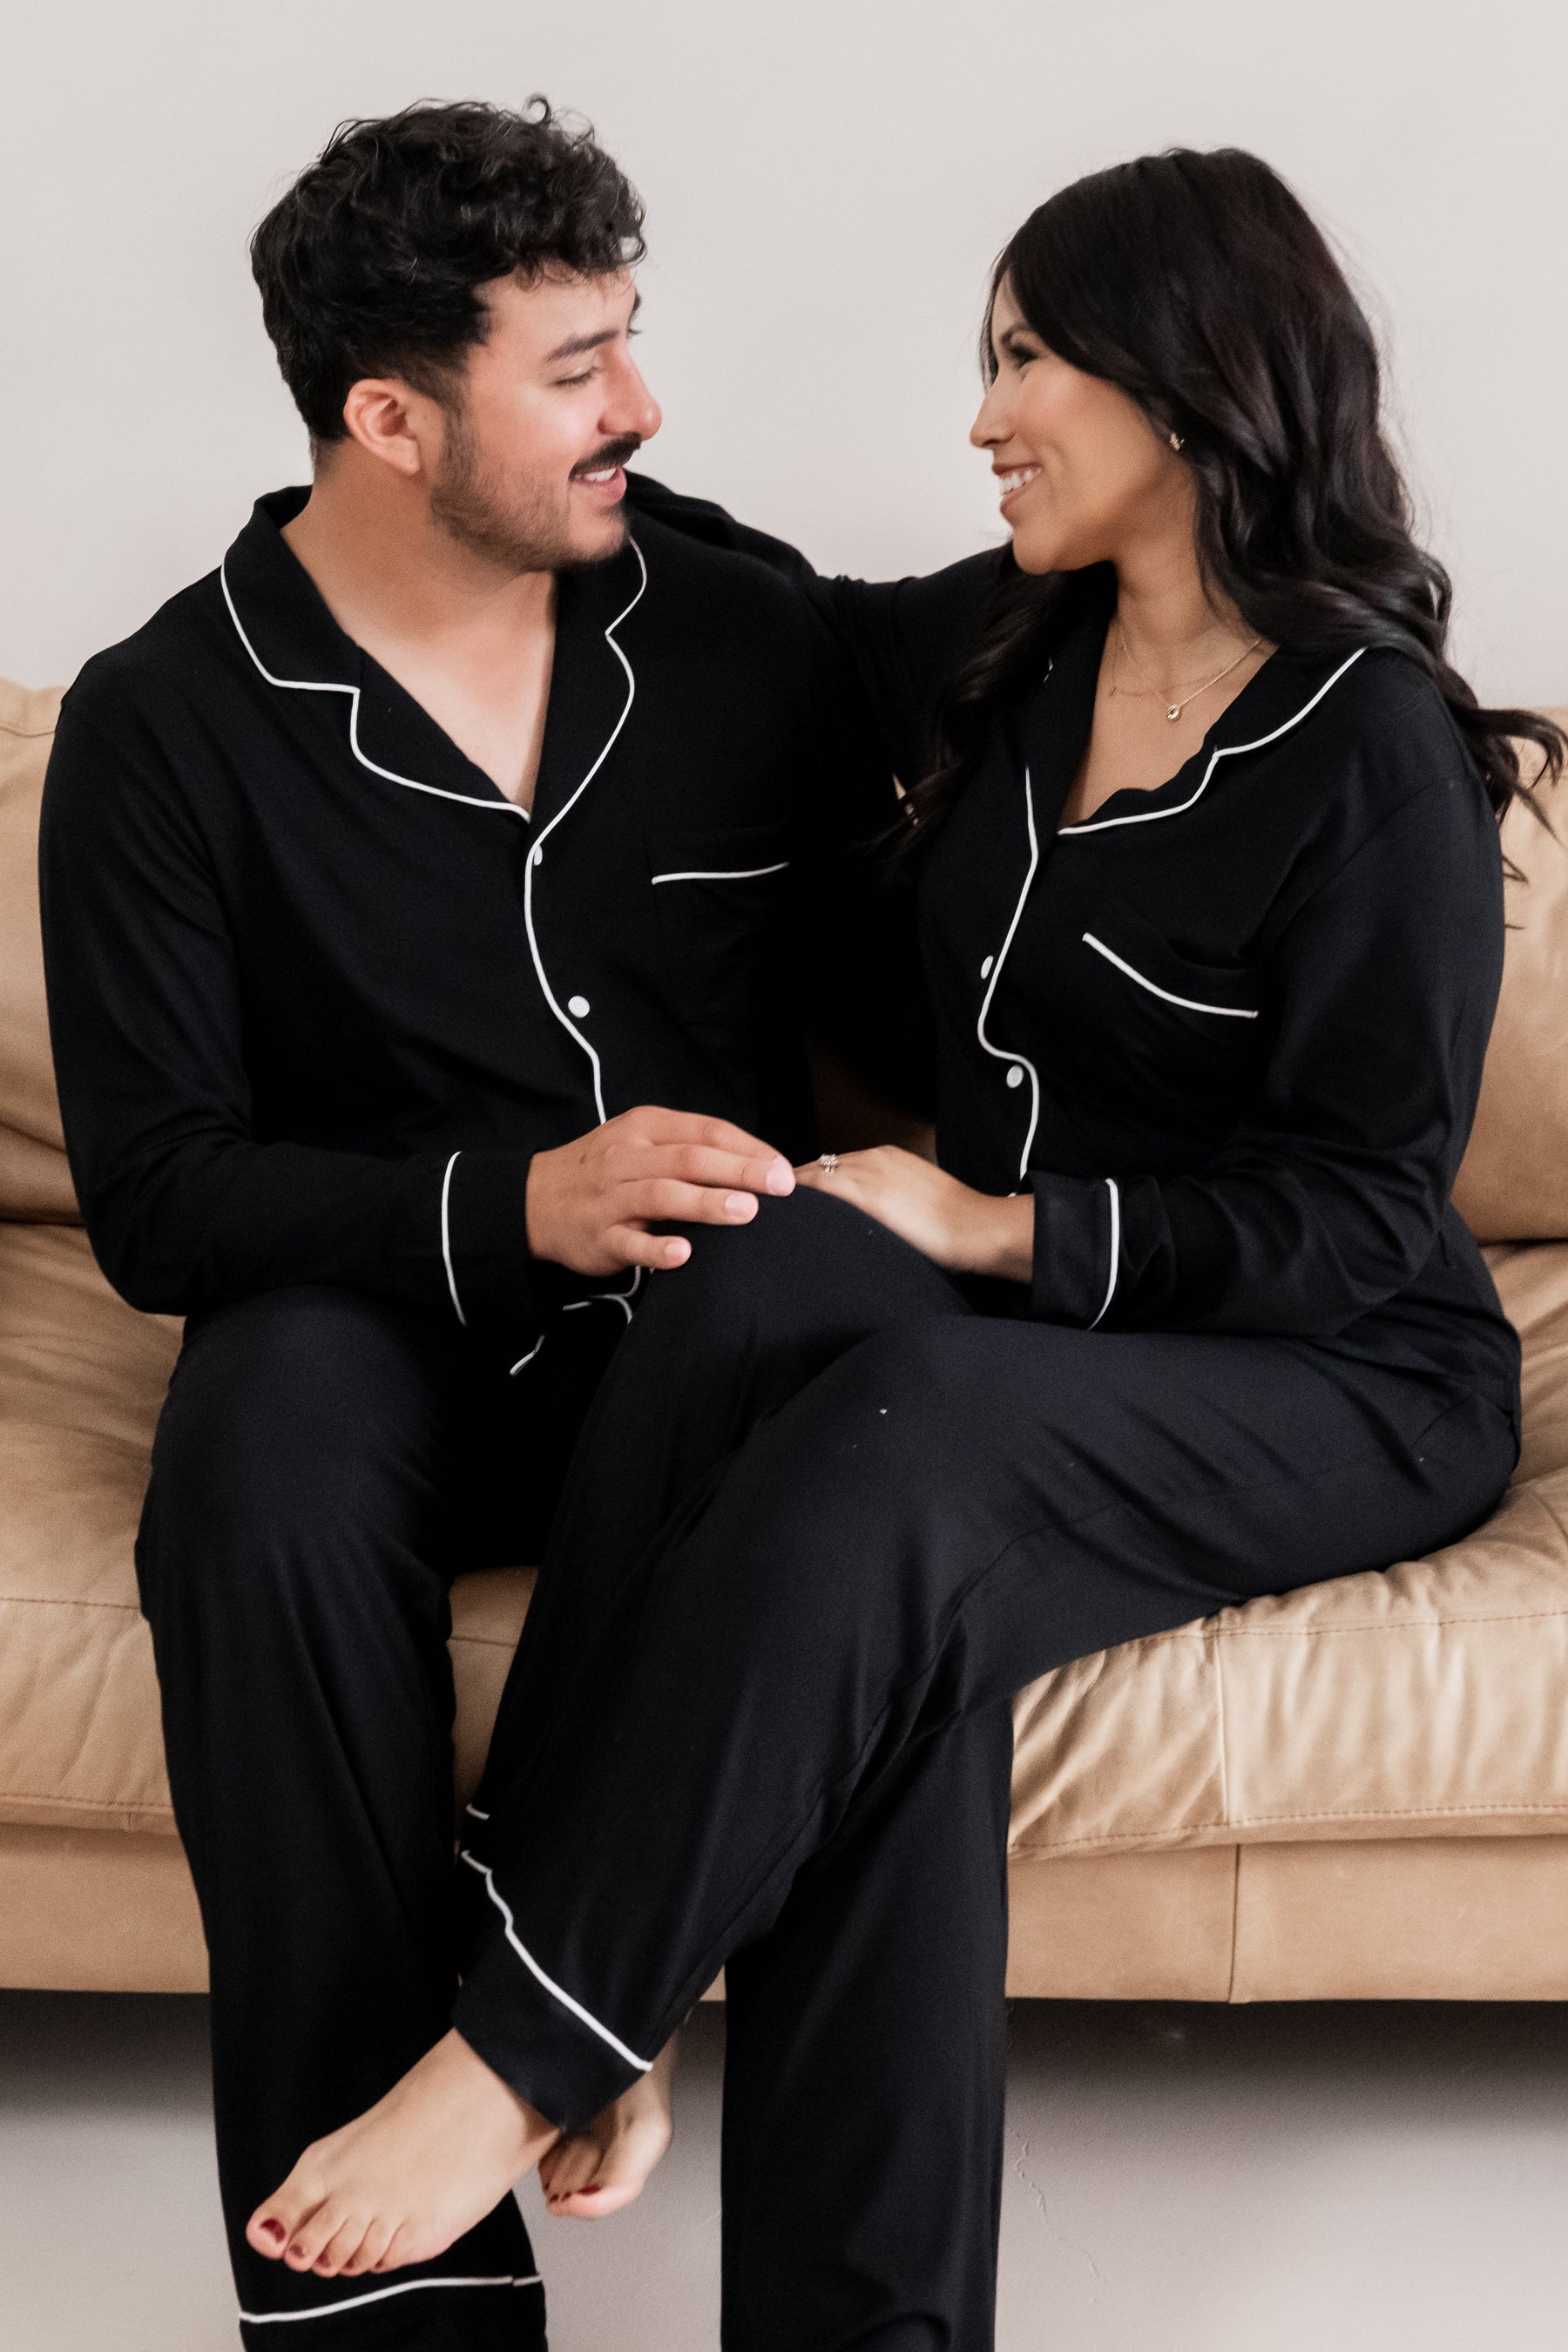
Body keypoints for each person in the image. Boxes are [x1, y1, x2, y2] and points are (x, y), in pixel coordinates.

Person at [237, 146, 1565, 2350]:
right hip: (1023, 1322)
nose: (983, 416)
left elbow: (1348, 1217)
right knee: (763, 1273)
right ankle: (621, 2009)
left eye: (1025, 357)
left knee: (897, 1445)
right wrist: (451, 469)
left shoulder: (1376, 758)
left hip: (1339, 1366)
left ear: (1186, 378)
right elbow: (733, 592)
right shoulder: (1018, 643)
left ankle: (523, 2041)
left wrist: (979, 1217)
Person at [38, 99, 902, 2348]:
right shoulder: (163, 728)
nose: (642, 404)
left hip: (709, 1339)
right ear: (391, 417)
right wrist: (513, 1199)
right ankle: (392, 2322)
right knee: (256, 1457)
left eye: (633, 336)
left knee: (818, 1359)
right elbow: (156, 1193)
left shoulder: (744, 631)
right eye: (575, 362)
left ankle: (549, 2010)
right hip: (381, 1325)